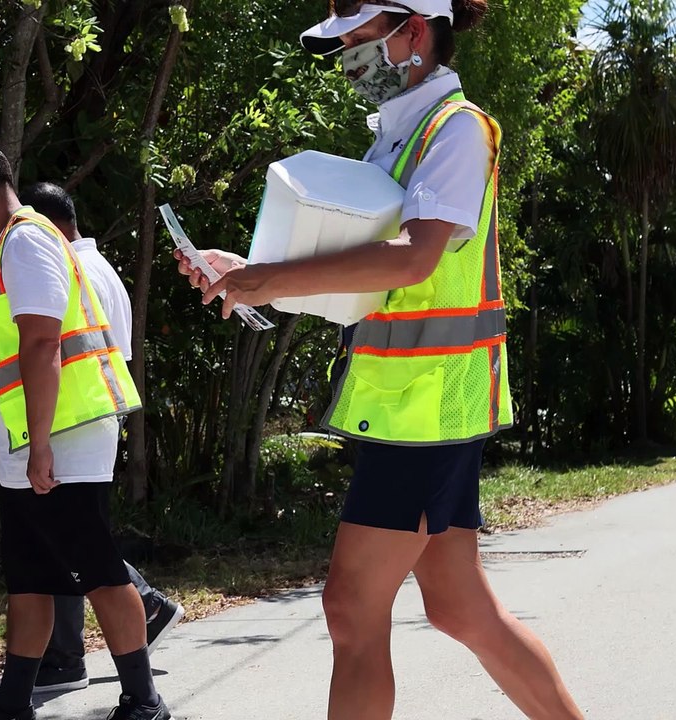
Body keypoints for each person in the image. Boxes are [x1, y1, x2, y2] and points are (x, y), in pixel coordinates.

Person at [175, 2, 584, 718]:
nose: (348, 60)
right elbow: (361, 281)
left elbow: (414, 258)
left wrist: (265, 279)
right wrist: (246, 272)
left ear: (414, 32)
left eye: (359, 41)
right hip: (416, 404)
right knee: (460, 609)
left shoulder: (457, 129)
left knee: (350, 608)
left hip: (427, 406)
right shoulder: (399, 136)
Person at [0, 136, 171, 720]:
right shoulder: (15, 243)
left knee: (100, 573)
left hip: (61, 440)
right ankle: (14, 704)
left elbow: (42, 343)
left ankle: (144, 701)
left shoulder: (26, 240)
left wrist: (40, 445)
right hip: (33, 443)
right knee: (30, 579)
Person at [18, 182, 186, 695]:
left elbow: (55, 351)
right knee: (69, 538)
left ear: (47, 225)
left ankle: (103, 646)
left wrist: (40, 427)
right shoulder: (102, 269)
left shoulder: (68, 268)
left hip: (71, 421)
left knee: (73, 542)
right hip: (89, 419)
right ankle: (103, 637)